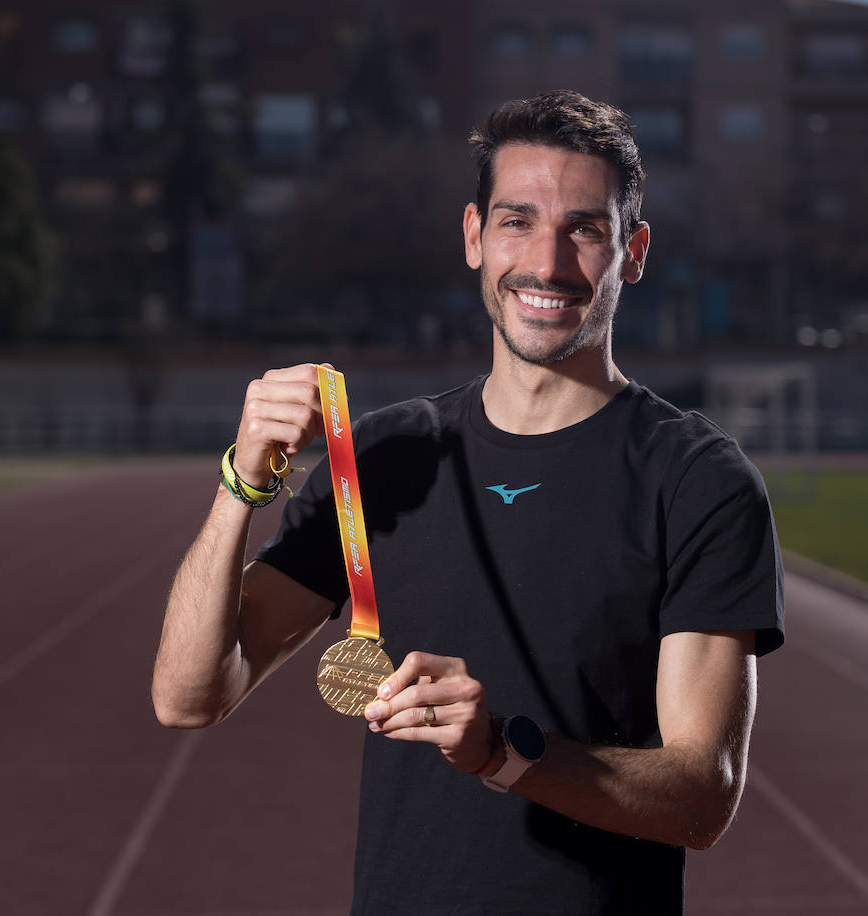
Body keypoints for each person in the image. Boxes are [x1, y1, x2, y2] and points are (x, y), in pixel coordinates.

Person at [153, 89, 784, 915]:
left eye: (585, 230)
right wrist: (241, 482)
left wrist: (504, 755)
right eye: (517, 221)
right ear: (474, 237)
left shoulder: (698, 480)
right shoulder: (380, 459)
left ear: (632, 251)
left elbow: (703, 795)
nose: (548, 264)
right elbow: (189, 696)